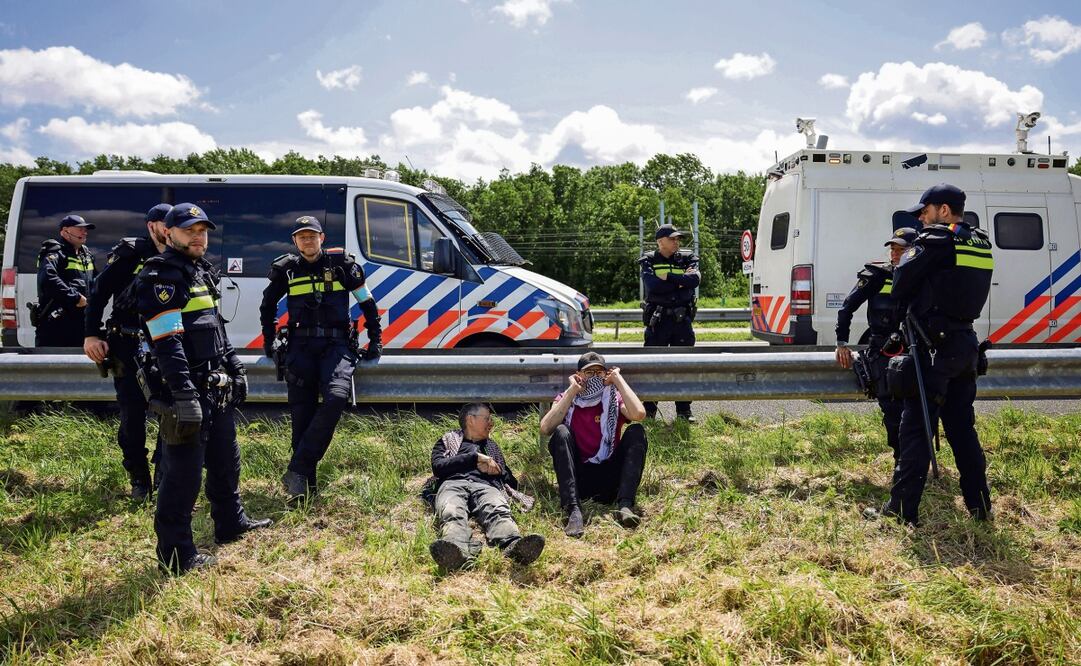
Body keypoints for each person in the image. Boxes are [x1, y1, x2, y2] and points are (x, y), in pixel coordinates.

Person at [136, 203, 271, 574]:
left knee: (226, 461)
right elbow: (167, 344)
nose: (199, 236)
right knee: (183, 476)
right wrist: (183, 395)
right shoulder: (161, 275)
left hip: (215, 385)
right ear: (169, 233)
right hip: (184, 390)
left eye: (203, 230)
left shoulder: (201, 272)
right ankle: (176, 555)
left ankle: (230, 523)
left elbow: (217, 329)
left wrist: (236, 367)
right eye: (189, 230)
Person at [877, 184, 994, 526]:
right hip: (965, 344)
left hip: (933, 348)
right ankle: (980, 507)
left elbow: (900, 282)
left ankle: (901, 511)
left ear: (944, 210)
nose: (921, 218)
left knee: (914, 429)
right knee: (962, 431)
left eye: (925, 211)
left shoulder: (935, 240)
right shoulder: (981, 242)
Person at [258, 215, 383, 503]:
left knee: (336, 397)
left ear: (321, 238)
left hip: (336, 345)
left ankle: (297, 469)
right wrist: (268, 340)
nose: (307, 240)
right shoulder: (286, 269)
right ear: (295, 241)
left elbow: (367, 302)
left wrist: (375, 340)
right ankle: (302, 490)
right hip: (299, 347)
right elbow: (267, 306)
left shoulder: (343, 266)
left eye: (312, 235)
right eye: (302, 236)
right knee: (301, 417)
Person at [84, 204, 171, 500]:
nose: (171, 227)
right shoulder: (130, 254)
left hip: (166, 344)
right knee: (132, 417)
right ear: (152, 226)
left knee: (171, 413)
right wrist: (91, 335)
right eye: (164, 222)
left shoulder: (181, 255)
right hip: (127, 343)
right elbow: (98, 293)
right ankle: (138, 478)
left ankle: (164, 476)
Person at [540, 351, 648, 537]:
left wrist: (618, 380)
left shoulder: (613, 399)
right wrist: (572, 390)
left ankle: (625, 504)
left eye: (599, 373)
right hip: (579, 480)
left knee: (636, 431)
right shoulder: (567, 397)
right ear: (579, 375)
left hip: (610, 477)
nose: (595, 377)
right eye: (589, 373)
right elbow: (545, 428)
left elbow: (639, 414)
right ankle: (573, 510)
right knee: (560, 432)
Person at [428, 403, 545, 571]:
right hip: (452, 484)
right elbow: (438, 467)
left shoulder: (492, 447)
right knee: (451, 511)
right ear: (470, 419)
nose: (491, 423)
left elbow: (511, 481)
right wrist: (473, 458)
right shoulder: (448, 440)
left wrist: (496, 472)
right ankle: (456, 549)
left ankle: (514, 545)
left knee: (498, 509)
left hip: (486, 486)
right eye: (487, 418)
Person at [834, 227, 918, 461]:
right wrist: (842, 343)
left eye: (901, 249)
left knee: (918, 412)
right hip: (883, 352)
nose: (894, 253)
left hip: (914, 349)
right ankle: (902, 463)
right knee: (892, 412)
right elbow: (846, 308)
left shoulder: (922, 277)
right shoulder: (877, 276)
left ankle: (914, 462)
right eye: (893, 248)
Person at [640, 224, 700, 421]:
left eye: (678, 239)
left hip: (682, 322)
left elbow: (694, 281)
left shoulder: (688, 257)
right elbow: (653, 286)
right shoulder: (649, 260)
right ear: (660, 242)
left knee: (683, 367)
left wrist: (669, 278)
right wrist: (680, 282)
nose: (677, 242)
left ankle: (683, 411)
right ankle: (649, 411)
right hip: (658, 321)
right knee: (652, 368)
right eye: (672, 239)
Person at [35, 214, 97, 346]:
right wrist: (75, 297)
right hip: (58, 325)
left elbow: (97, 280)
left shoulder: (86, 255)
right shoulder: (55, 252)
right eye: (79, 229)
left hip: (81, 322)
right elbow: (48, 279)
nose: (84, 232)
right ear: (65, 231)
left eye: (85, 229)